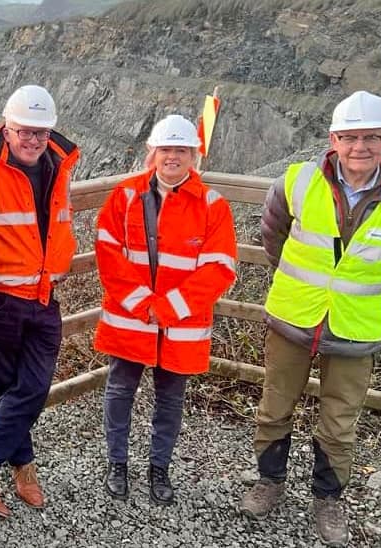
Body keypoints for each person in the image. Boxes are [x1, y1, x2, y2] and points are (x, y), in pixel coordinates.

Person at [240, 90, 381, 547]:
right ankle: (269, 482)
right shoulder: (297, 181)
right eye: (350, 137)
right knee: (275, 405)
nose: (360, 147)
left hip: (355, 327)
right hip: (293, 317)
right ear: (333, 139)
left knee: (340, 419)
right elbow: (274, 235)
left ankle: (327, 498)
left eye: (372, 137)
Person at [94, 114, 237, 505]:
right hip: (132, 318)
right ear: (151, 152)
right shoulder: (124, 196)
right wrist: (144, 304)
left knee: (170, 400)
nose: (172, 156)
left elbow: (219, 267)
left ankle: (160, 469)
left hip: (179, 326)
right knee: (120, 390)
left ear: (193, 155)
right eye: (166, 149)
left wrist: (168, 308)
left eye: (181, 150)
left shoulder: (212, 205)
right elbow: (108, 253)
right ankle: (117, 464)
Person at [0, 85, 80, 517]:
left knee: (32, 386)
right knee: (10, 388)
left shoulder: (59, 165)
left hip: (44, 292)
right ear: (6, 127)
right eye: (23, 132)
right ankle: (24, 468)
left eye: (40, 133)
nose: (32, 141)